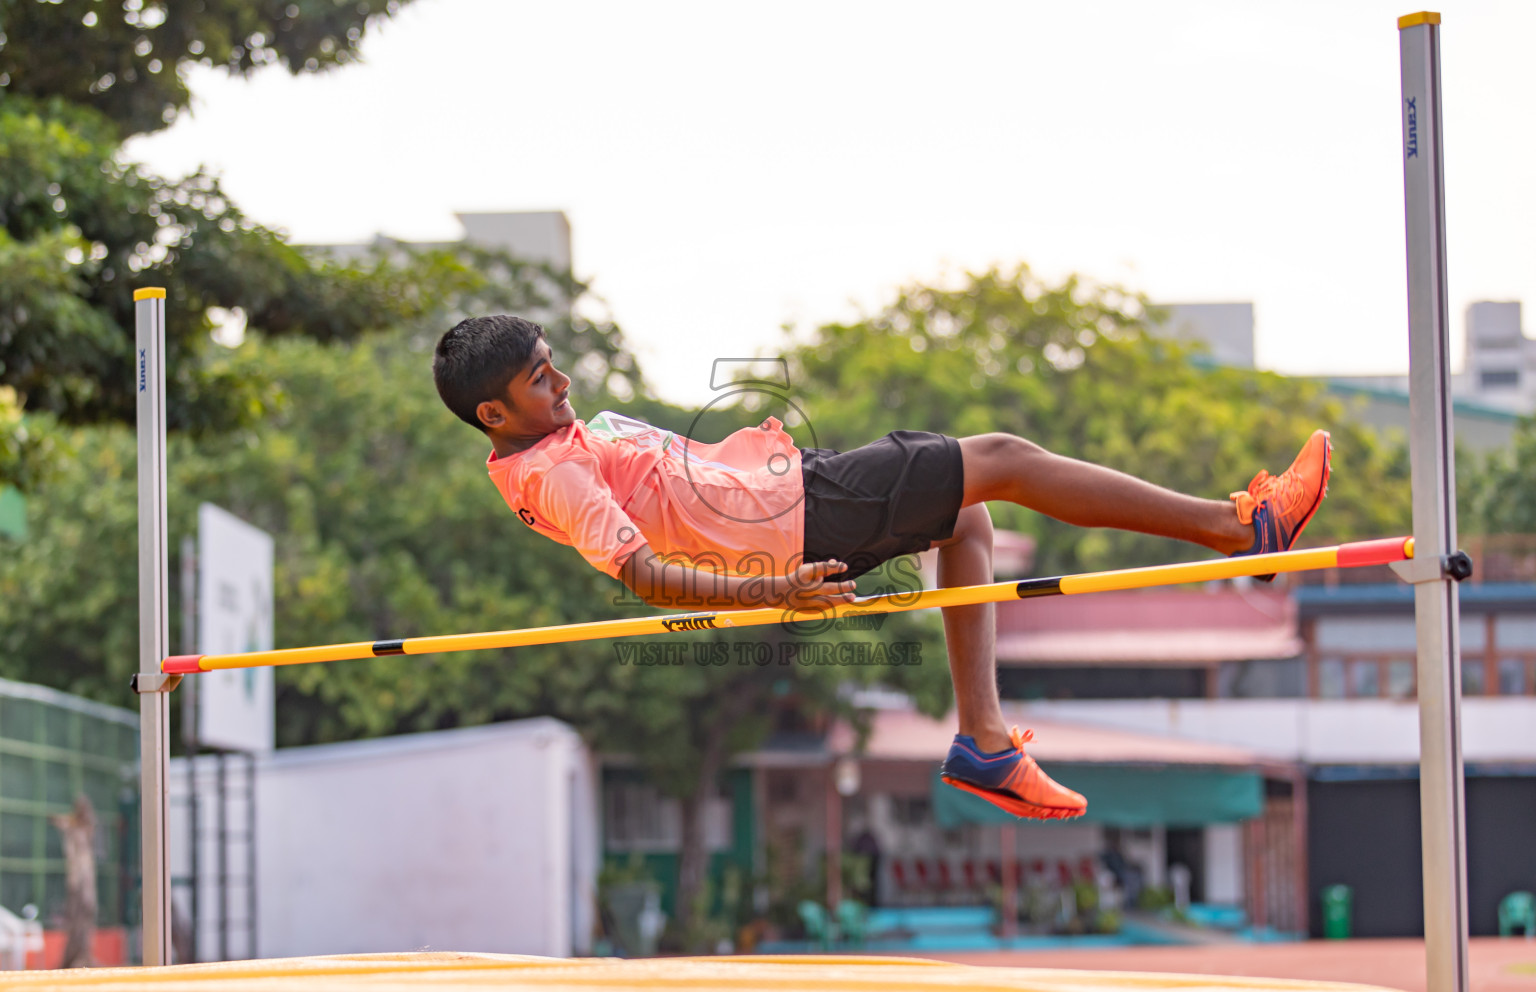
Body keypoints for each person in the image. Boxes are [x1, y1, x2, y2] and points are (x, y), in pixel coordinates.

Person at [432, 315, 1331, 820]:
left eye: (555, 369)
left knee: (968, 521)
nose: (563, 387)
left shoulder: (546, 444)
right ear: (493, 413)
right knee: (1006, 457)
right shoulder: (551, 471)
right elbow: (641, 575)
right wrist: (770, 592)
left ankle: (983, 744)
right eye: (541, 383)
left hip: (789, 494)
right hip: (790, 522)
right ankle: (1239, 527)